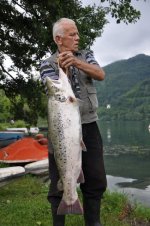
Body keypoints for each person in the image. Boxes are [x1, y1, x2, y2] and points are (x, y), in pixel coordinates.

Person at [40, 18, 107, 226]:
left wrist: (76, 62)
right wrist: (64, 69)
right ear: (59, 39)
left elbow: (100, 74)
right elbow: (55, 92)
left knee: (95, 181)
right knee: (58, 183)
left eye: (77, 34)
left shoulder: (86, 55)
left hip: (89, 127)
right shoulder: (46, 64)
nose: (77, 38)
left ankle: (93, 223)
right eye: (72, 34)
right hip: (61, 130)